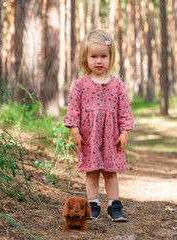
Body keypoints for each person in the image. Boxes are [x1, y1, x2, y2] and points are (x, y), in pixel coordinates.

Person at [64, 29, 134, 222]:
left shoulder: (117, 85)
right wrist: (75, 130)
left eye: (104, 56)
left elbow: (125, 110)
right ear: (85, 58)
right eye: (93, 56)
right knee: (92, 172)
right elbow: (73, 109)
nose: (99, 61)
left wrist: (125, 132)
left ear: (111, 58)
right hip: (89, 136)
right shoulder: (80, 85)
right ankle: (92, 204)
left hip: (112, 137)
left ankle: (114, 206)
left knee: (111, 172)